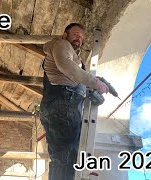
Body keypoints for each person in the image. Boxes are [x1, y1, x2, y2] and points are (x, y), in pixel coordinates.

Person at [40, 23, 109, 180]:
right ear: (65, 35)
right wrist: (94, 82)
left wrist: (90, 80)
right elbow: (67, 66)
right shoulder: (61, 44)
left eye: (81, 36)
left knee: (61, 156)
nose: (79, 38)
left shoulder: (69, 53)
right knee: (67, 156)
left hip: (59, 104)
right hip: (64, 101)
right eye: (75, 34)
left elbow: (73, 71)